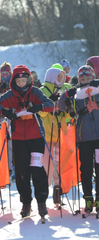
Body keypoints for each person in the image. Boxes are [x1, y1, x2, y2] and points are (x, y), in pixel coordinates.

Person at [0, 64, 54, 218]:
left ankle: (41, 201)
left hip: (36, 136)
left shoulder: (35, 92)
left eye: (23, 81)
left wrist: (38, 107)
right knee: (22, 171)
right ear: (13, 82)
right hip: (18, 138)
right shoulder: (11, 94)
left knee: (37, 169)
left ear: (28, 80)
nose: (21, 84)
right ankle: (26, 202)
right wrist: (6, 112)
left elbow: (50, 105)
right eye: (18, 82)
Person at [57, 65, 99, 213]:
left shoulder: (97, 88)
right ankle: (88, 198)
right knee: (86, 169)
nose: (86, 81)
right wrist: (69, 93)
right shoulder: (76, 93)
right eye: (83, 78)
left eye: (88, 78)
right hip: (84, 137)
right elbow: (61, 105)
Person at [39, 67, 72, 205]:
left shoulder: (64, 91)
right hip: (47, 133)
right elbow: (40, 113)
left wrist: (65, 110)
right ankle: (43, 193)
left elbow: (68, 113)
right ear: (51, 76)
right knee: (47, 164)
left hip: (59, 132)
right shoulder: (42, 91)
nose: (59, 80)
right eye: (57, 77)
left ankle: (57, 189)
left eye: (61, 77)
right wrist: (49, 104)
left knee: (59, 162)